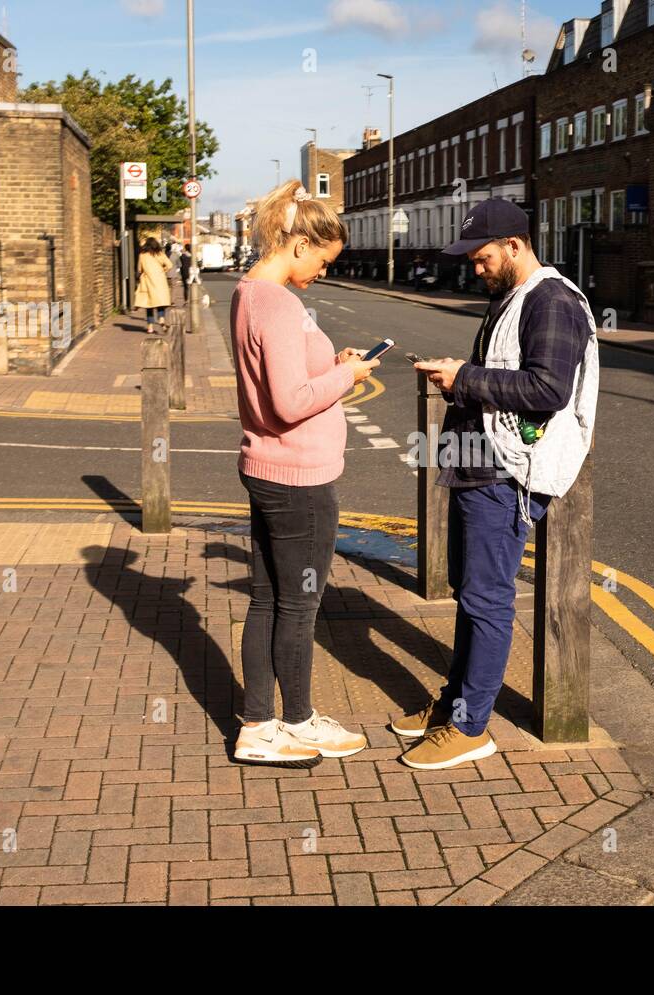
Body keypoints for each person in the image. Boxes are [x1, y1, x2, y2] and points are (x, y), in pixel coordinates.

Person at [399, 198, 599, 770]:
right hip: (479, 462)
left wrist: (463, 376)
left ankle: (471, 727)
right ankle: (450, 708)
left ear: (515, 245)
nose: (475, 268)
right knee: (470, 592)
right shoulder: (509, 298)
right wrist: (458, 381)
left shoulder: (552, 301)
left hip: (509, 473)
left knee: (487, 598)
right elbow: (501, 380)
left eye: (482, 257)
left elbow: (547, 390)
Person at [229, 180, 381, 767]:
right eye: (322, 259)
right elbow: (291, 402)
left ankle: (262, 724)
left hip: (268, 467)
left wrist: (333, 361)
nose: (323, 271)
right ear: (298, 243)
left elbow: (282, 378)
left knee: (268, 599)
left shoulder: (248, 293)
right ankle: (292, 722)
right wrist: (349, 377)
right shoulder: (279, 303)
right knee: (300, 604)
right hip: (298, 477)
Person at [133, 237, 172, 332]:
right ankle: (161, 319)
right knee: (160, 302)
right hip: (160, 281)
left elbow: (139, 269)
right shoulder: (160, 254)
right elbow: (170, 265)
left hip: (147, 281)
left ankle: (150, 327)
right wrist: (162, 271)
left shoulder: (142, 255)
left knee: (149, 304)